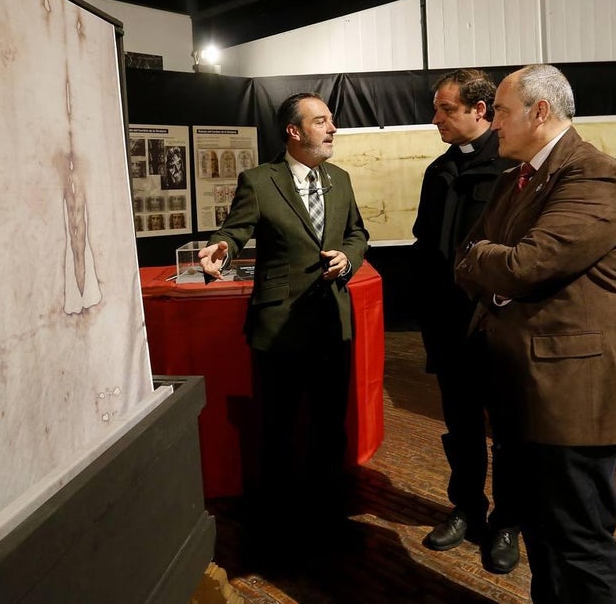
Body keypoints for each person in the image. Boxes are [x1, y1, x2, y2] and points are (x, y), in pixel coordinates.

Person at [453, 64, 616, 602]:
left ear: (539, 112)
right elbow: (465, 257)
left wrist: (492, 265)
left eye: (499, 110)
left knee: (579, 543)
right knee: (541, 536)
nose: (492, 122)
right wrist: (494, 265)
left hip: (573, 395)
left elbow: (527, 265)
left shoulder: (593, 173)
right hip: (522, 391)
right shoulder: (511, 180)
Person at [198, 92, 369, 539]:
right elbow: (235, 229)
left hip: (333, 321)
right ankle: (277, 526)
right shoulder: (259, 180)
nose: (332, 128)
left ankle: (329, 517)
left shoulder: (341, 179)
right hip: (279, 328)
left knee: (329, 426)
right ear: (294, 132)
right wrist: (222, 246)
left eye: (331, 120)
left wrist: (348, 259)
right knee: (278, 428)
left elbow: (357, 232)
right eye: (320, 121)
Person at [411, 69, 520, 573]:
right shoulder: (439, 172)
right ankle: (468, 509)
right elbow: (427, 243)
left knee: (510, 428)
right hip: (449, 324)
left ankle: (508, 521)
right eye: (436, 109)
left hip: (497, 325)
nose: (436, 118)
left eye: (446, 109)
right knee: (460, 424)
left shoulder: (511, 171)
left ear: (480, 110)